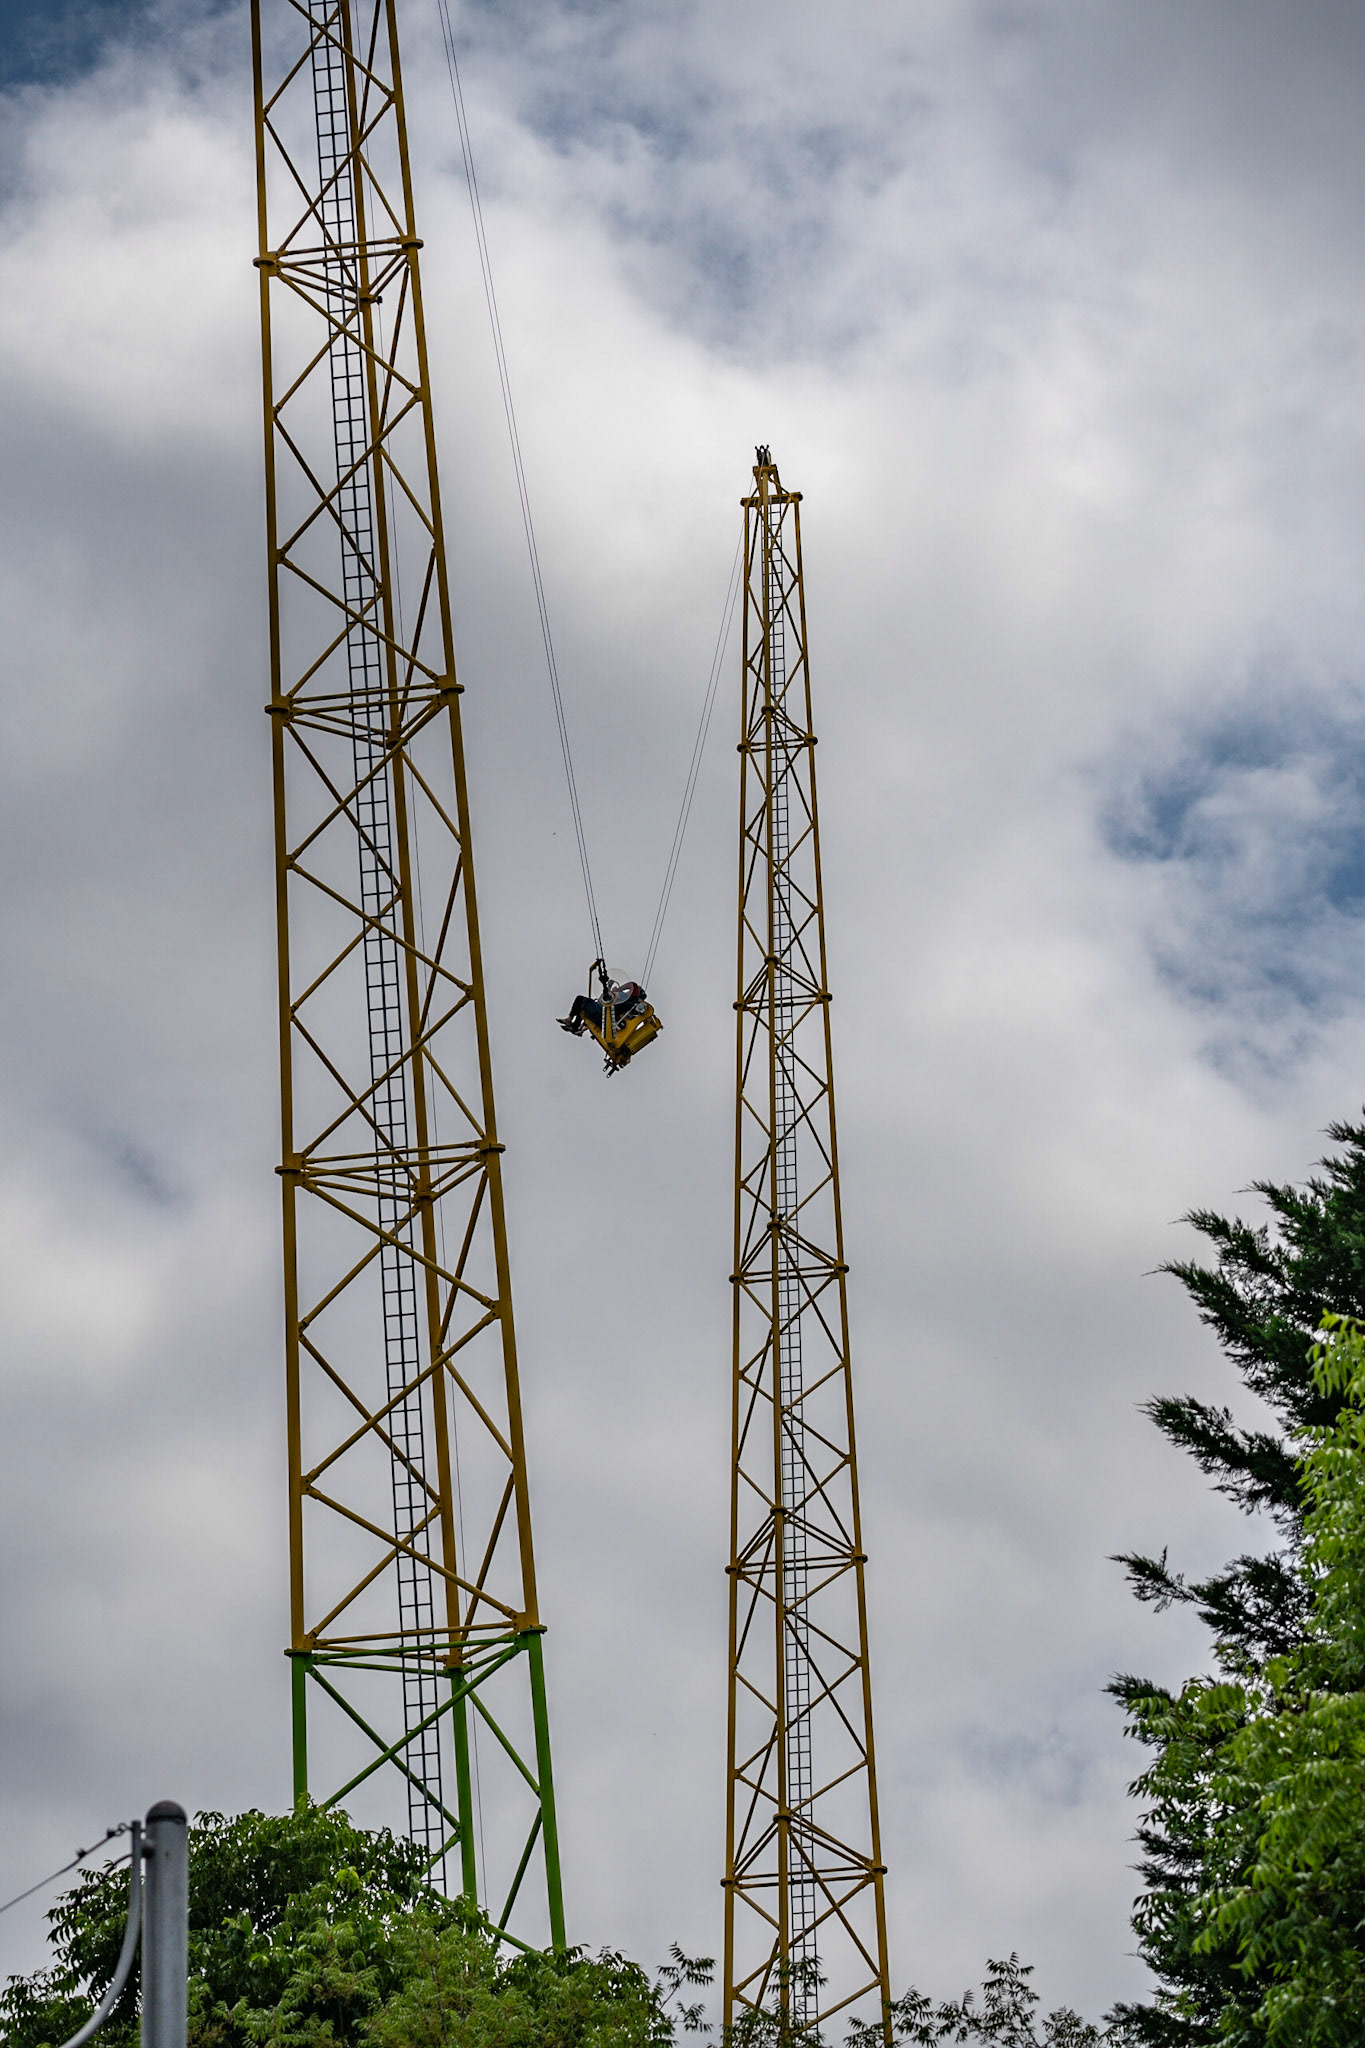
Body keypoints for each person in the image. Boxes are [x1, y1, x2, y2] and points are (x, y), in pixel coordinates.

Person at [558, 978, 647, 1037]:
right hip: (604, 1021)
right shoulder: (630, 1006)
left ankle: (570, 1019)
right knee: (585, 1007)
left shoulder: (623, 996)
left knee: (580, 999)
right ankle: (576, 1026)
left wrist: (609, 987)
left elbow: (609, 997)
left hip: (600, 1013)